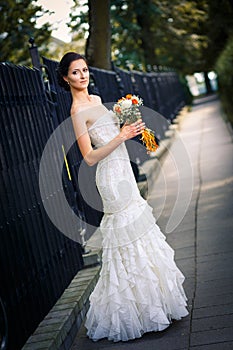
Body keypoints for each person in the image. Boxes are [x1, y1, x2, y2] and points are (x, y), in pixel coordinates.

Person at [57, 52, 189, 342]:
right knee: (127, 234)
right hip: (111, 180)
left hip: (124, 172)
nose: (83, 76)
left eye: (85, 70)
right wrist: (120, 136)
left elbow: (114, 135)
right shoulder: (77, 111)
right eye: (76, 73)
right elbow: (89, 158)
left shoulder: (95, 100)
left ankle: (155, 305)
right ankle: (133, 312)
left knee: (141, 231)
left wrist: (128, 126)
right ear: (66, 78)